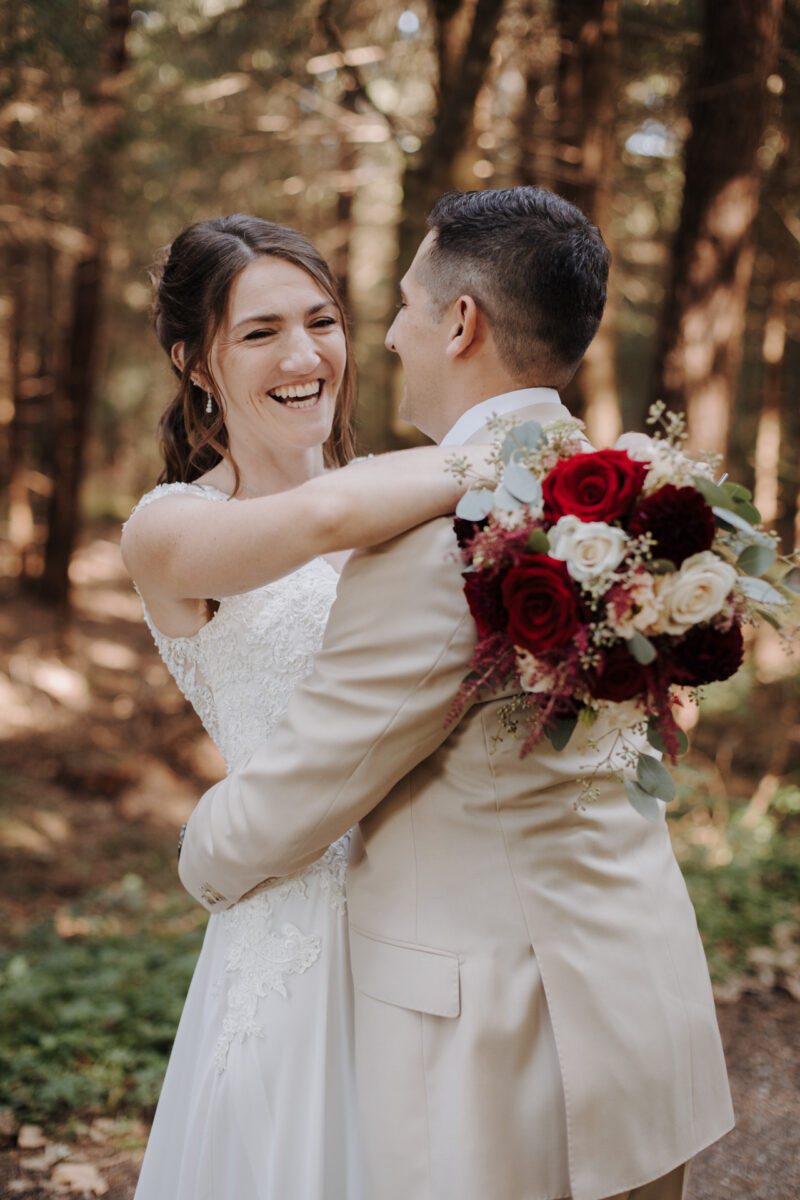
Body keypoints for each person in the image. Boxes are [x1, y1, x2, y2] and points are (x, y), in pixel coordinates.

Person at [178, 189, 734, 1200]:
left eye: (395, 304)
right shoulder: (635, 489)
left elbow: (315, 778)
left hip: (503, 1050)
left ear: (461, 322)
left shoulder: (444, 530)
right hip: (643, 1000)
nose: (384, 333)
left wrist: (201, 857)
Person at [121, 213, 491, 1200]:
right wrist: (521, 451)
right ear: (192, 363)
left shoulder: (399, 505)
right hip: (289, 924)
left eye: (321, 321)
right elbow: (322, 517)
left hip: (433, 915)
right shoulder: (170, 529)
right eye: (258, 333)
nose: (303, 356)